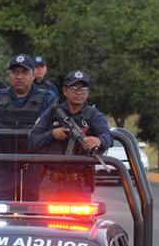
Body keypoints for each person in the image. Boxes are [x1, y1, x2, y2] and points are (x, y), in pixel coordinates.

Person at [0, 54, 58, 200]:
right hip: (4, 167)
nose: (19, 77)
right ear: (9, 75)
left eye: (24, 72)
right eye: (15, 72)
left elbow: (60, 121)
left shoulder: (47, 98)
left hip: (36, 168)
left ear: (33, 75)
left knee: (35, 214)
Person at [28, 69, 112, 200]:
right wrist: (52, 134)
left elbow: (108, 136)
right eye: (74, 87)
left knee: (80, 220)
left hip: (79, 184)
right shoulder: (53, 112)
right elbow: (32, 140)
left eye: (83, 88)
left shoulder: (94, 115)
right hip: (51, 182)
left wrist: (98, 140)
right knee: (45, 219)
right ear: (64, 90)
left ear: (88, 92)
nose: (79, 92)